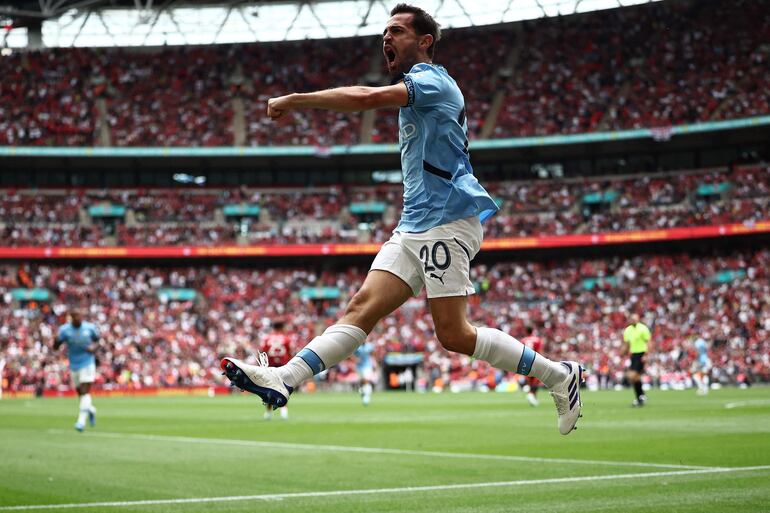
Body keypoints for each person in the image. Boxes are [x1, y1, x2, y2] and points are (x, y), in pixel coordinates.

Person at [222, 3, 584, 435]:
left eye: (396, 30)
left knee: (453, 334)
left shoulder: (431, 81)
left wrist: (297, 100)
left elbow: (366, 97)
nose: (386, 38)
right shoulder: (421, 88)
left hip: (446, 222)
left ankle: (559, 375)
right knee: (361, 307)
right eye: (385, 31)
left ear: (424, 42)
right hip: (414, 225)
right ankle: (285, 379)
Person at [53, 309, 100, 431]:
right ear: (72, 318)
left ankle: (81, 422)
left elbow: (97, 341)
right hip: (74, 364)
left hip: (88, 362)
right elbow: (56, 347)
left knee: (85, 391)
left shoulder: (90, 328)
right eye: (76, 317)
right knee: (81, 395)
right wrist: (56, 340)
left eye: (80, 316)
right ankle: (91, 410)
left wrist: (93, 348)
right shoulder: (65, 330)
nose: (79, 318)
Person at [259, 321, 293, 420]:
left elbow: (263, 353)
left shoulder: (267, 338)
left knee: (268, 388)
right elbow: (290, 352)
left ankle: (269, 412)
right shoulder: (286, 339)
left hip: (270, 365)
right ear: (282, 327)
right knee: (284, 388)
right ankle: (284, 411)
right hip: (283, 365)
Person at [622, 313, 651, 407]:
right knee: (636, 377)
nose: (633, 320)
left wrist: (646, 355)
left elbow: (649, 342)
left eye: (635, 318)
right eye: (632, 319)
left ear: (638, 319)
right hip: (633, 355)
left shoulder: (643, 328)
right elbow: (627, 344)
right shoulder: (628, 330)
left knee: (632, 376)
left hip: (641, 354)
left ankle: (640, 396)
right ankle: (640, 397)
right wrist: (622, 353)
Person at [520, 326, 544, 407]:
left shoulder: (523, 340)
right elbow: (539, 351)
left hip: (526, 361)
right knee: (536, 380)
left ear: (526, 331)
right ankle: (531, 394)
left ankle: (533, 398)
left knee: (530, 380)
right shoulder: (537, 339)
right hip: (535, 360)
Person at [354, 342, 376, 406]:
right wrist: (355, 359)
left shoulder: (369, 346)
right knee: (361, 382)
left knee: (366, 381)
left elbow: (373, 354)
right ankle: (363, 393)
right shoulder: (357, 346)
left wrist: (375, 364)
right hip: (359, 367)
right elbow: (351, 354)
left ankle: (367, 397)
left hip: (367, 366)